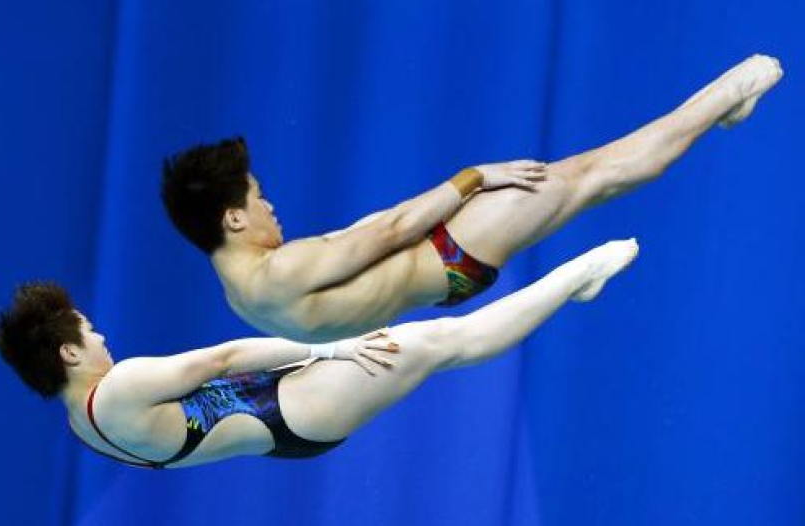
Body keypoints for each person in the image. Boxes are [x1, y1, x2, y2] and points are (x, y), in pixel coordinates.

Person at [161, 55, 781, 342]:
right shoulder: (279, 271)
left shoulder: (242, 295)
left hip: (439, 271)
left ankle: (719, 109)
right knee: (597, 173)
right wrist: (474, 177)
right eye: (259, 198)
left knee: (591, 179)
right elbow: (391, 231)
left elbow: (339, 310)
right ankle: (733, 91)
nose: (271, 208)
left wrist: (354, 342)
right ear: (234, 217)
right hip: (450, 249)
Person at [0, 239, 638, 468]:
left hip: (282, 418)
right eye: (89, 331)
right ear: (69, 352)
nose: (102, 336)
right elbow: (225, 358)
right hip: (291, 407)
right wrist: (334, 346)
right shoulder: (122, 386)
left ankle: (568, 283)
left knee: (433, 343)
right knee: (445, 341)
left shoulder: (81, 425)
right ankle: (578, 275)